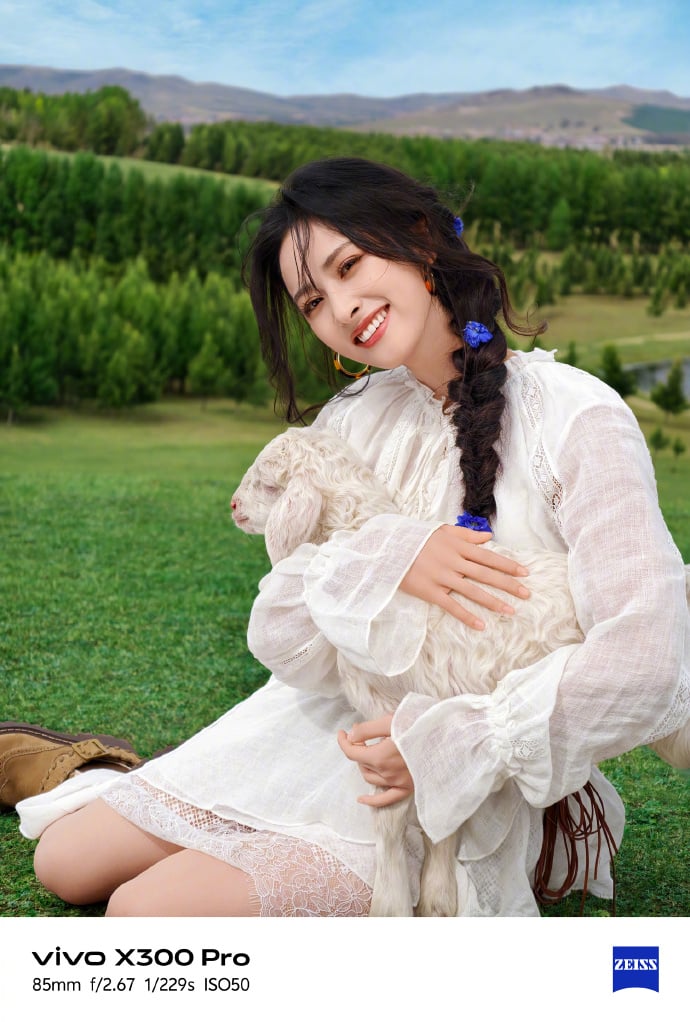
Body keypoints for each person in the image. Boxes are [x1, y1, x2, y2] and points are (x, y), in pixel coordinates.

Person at [8, 157, 689, 917]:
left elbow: (647, 661)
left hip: (470, 772)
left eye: (348, 265)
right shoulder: (353, 417)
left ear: (420, 239)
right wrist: (392, 558)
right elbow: (281, 636)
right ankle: (117, 772)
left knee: (143, 912)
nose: (341, 308)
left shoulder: (575, 415)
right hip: (332, 726)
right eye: (312, 300)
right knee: (64, 861)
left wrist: (453, 746)